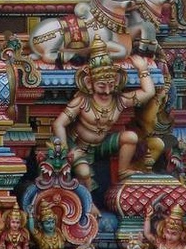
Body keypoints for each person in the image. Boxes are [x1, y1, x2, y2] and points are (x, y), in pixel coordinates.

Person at [52, 40, 156, 190]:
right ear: (89, 83)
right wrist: (65, 152)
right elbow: (58, 124)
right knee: (84, 172)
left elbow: (148, 93)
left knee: (131, 137)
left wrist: (142, 69)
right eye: (101, 86)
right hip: (78, 146)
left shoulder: (119, 100)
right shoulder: (82, 101)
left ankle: (123, 171)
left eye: (111, 85)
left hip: (102, 145)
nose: (107, 91)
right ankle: (89, 204)